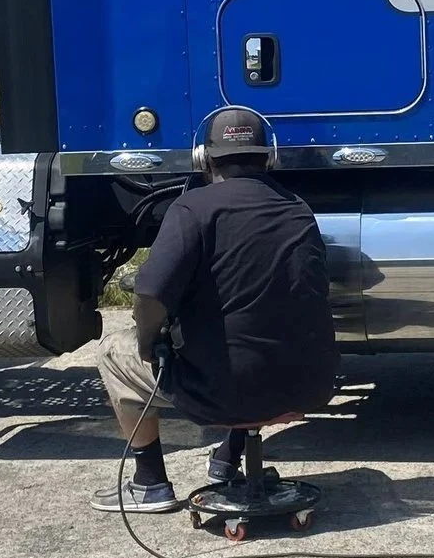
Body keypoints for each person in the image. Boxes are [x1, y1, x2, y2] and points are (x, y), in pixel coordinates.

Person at [93, 105, 336, 513]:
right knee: (253, 332)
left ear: (203, 159)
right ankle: (225, 460)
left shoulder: (192, 209)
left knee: (115, 351)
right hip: (310, 386)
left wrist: (150, 346)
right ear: (269, 156)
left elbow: (149, 296)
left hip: (226, 393)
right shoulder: (298, 209)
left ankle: (149, 483)